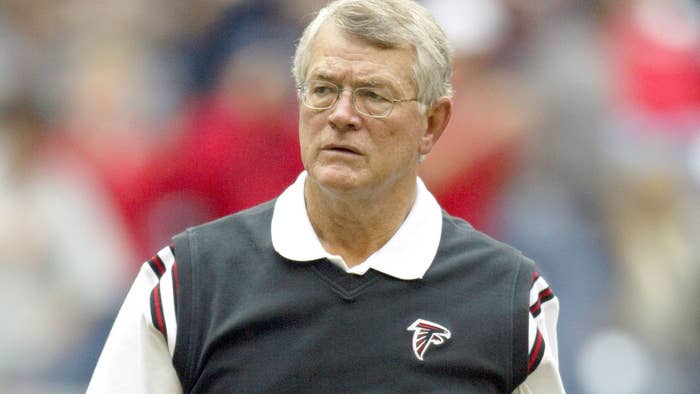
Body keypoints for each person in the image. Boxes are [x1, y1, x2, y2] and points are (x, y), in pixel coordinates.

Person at [88, 0, 564, 392]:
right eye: (322, 90)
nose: (341, 115)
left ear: (432, 124)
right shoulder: (185, 283)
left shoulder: (510, 299)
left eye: (374, 95)